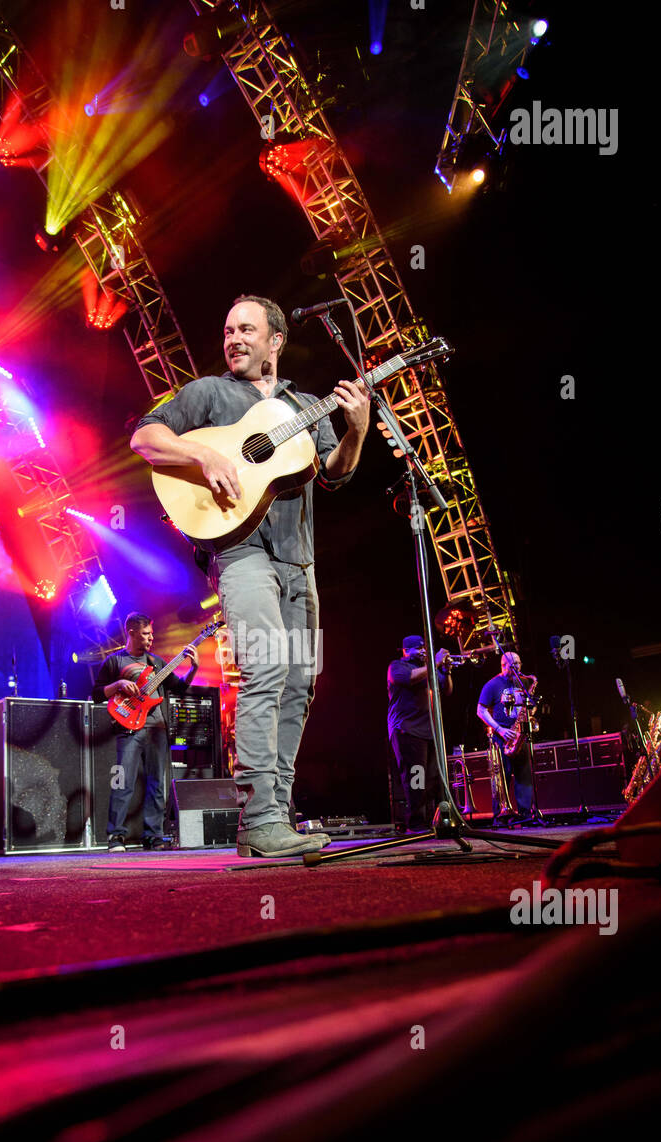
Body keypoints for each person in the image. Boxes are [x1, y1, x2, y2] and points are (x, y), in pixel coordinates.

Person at [130, 294, 370, 858]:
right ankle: (257, 820)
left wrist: (356, 429)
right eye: (227, 329)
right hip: (240, 553)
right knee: (265, 669)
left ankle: (276, 815)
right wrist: (204, 459)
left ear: (275, 341)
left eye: (245, 329)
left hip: (299, 559)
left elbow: (335, 474)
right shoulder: (208, 393)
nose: (233, 339)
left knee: (301, 684)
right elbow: (145, 438)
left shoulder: (306, 405)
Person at [93, 611, 199, 851]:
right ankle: (116, 836)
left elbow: (180, 688)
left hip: (157, 728)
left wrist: (193, 668)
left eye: (152, 634)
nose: (151, 638)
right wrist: (119, 684)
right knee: (123, 783)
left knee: (157, 785)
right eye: (145, 634)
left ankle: (153, 835)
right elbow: (98, 694)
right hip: (128, 728)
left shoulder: (157, 663)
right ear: (131, 632)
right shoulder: (114, 662)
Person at [387, 635, 453, 832]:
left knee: (434, 778)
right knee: (417, 778)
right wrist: (436, 662)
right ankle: (416, 823)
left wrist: (446, 671)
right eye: (418, 648)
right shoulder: (398, 666)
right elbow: (409, 678)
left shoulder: (429, 669)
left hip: (429, 731)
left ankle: (430, 820)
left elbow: (446, 690)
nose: (423, 651)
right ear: (406, 651)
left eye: (425, 647)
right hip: (407, 730)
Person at [476, 650, 536, 824]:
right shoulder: (492, 685)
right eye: (513, 664)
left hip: (520, 735)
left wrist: (530, 711)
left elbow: (531, 706)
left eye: (518, 663)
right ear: (503, 665)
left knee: (524, 776)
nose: (517, 667)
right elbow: (480, 710)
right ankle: (501, 817)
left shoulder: (524, 682)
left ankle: (525, 815)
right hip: (502, 738)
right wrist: (499, 729)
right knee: (501, 777)